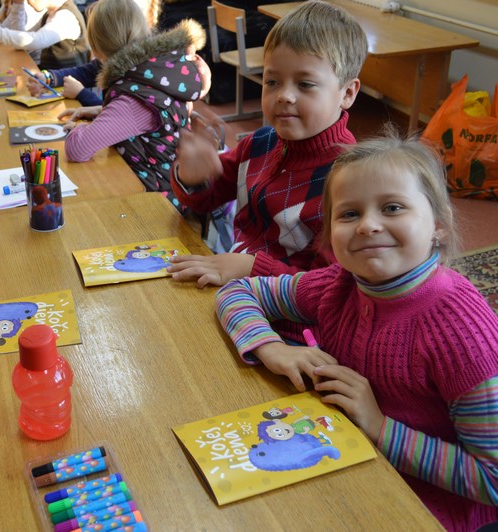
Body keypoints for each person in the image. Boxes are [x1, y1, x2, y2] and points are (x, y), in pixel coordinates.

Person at [216, 131, 498, 531]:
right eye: (349, 214)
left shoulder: (463, 331)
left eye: (392, 207)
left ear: (439, 225)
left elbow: (492, 480)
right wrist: (272, 348)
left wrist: (379, 425)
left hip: (430, 510)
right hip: (348, 462)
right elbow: (237, 292)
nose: (367, 225)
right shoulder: (338, 284)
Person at [167, 0, 368, 287]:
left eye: (305, 84)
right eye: (272, 82)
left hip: (283, 306)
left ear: (347, 93)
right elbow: (204, 199)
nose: (284, 96)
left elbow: (331, 286)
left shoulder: (352, 182)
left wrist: (251, 267)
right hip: (235, 281)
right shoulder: (258, 143)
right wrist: (192, 177)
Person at [61, 0, 214, 214]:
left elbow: (77, 149)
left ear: (95, 49)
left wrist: (79, 129)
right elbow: (146, 117)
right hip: (166, 187)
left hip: (157, 204)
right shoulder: (154, 71)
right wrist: (102, 113)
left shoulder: (132, 98)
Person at [24, 0, 162, 106]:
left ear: (96, 46)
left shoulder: (136, 76)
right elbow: (84, 72)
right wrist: (48, 78)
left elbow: (114, 118)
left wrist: (81, 94)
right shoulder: (116, 58)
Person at [0, 0, 90, 70]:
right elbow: (19, 36)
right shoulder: (50, 12)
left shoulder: (66, 16)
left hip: (67, 88)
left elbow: (33, 41)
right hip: (50, 78)